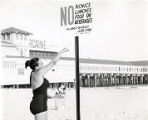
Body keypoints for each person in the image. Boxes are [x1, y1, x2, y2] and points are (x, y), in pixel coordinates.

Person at [25, 47, 68, 120]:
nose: (43, 64)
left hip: (39, 103)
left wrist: (47, 95)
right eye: (41, 63)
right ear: (36, 66)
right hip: (39, 104)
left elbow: (39, 89)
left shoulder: (33, 73)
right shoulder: (39, 72)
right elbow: (53, 62)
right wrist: (62, 51)